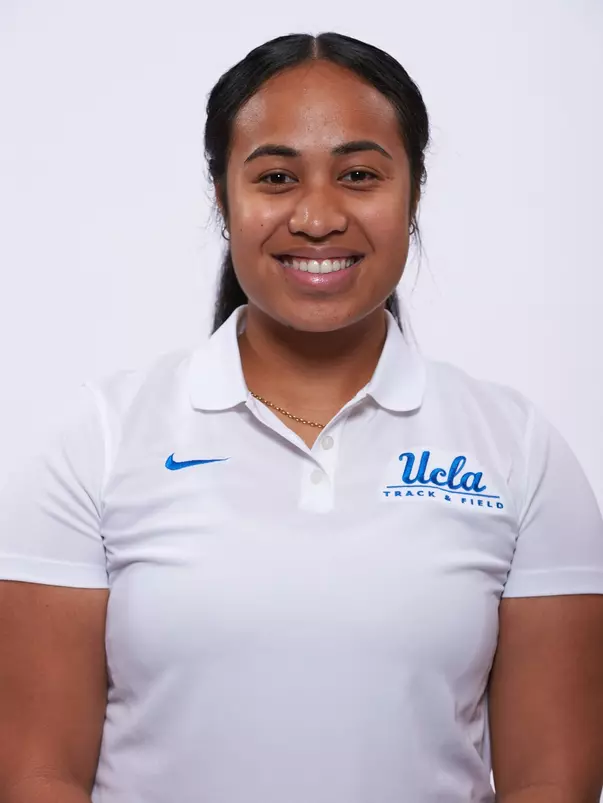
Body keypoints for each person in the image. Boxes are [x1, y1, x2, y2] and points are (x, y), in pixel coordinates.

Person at [0, 31, 602, 803]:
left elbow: (553, 780)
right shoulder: (101, 441)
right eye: (276, 177)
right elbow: (37, 772)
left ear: (413, 192)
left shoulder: (517, 449)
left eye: (358, 175)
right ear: (221, 196)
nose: (317, 217)